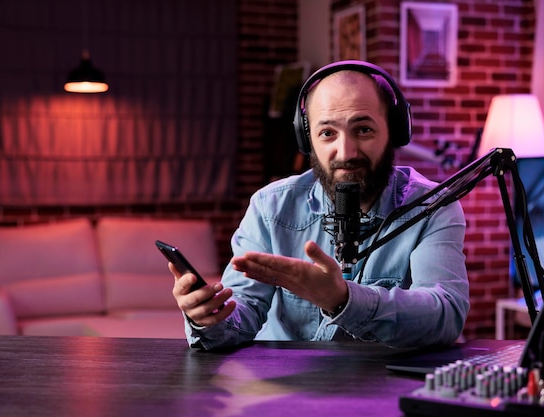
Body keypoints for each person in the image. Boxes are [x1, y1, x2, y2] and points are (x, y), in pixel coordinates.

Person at [168, 60, 470, 350]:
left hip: (384, 390)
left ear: (394, 131)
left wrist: (344, 299)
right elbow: (241, 312)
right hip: (287, 389)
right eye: (327, 133)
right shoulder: (271, 207)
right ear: (307, 138)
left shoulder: (433, 208)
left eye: (363, 130)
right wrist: (208, 319)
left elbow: (445, 314)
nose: (346, 151)